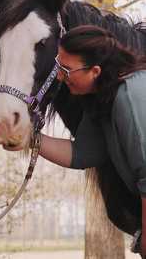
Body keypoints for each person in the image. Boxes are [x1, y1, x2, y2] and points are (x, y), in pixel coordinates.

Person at [33, 25, 146, 257]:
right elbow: (82, 153)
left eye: (66, 69)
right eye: (58, 65)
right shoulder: (102, 97)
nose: (60, 76)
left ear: (95, 71)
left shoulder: (130, 95)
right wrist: (29, 138)